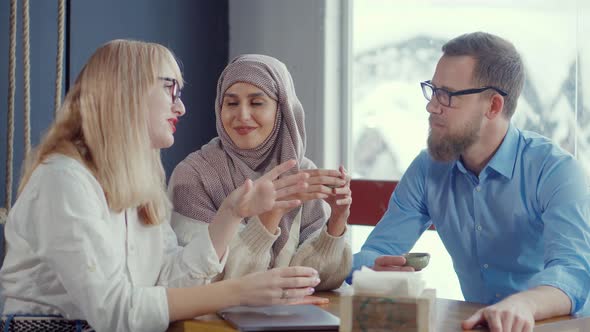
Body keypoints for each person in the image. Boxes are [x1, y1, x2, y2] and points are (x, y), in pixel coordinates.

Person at [0, 40, 322, 332]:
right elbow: (115, 313)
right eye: (171, 90)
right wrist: (239, 291)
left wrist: (231, 212)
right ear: (127, 91)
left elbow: (168, 278)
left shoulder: (140, 182)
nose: (180, 107)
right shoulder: (63, 181)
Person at [351, 32, 590, 331]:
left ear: (493, 106)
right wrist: (373, 267)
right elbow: (374, 252)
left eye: (447, 95)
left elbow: (573, 272)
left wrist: (524, 303)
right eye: (433, 90)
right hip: (476, 325)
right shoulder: (428, 168)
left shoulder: (555, 170)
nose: (432, 106)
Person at [168, 54, 352, 291]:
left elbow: (319, 279)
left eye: (256, 103)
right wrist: (268, 218)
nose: (242, 115)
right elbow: (204, 279)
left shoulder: (302, 173)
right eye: (231, 103)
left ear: (282, 109)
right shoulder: (193, 176)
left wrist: (336, 222)